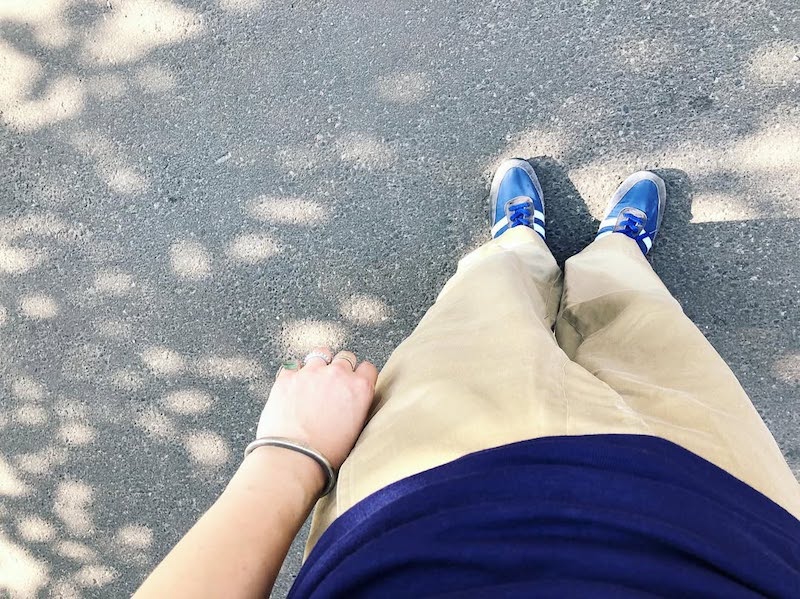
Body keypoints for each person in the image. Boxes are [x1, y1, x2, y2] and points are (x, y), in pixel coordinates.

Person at [135, 160, 800, 598]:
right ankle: (614, 253)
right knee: (647, 329)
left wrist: (290, 455)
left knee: (481, 310)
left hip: (424, 507)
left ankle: (520, 248)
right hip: (730, 521)